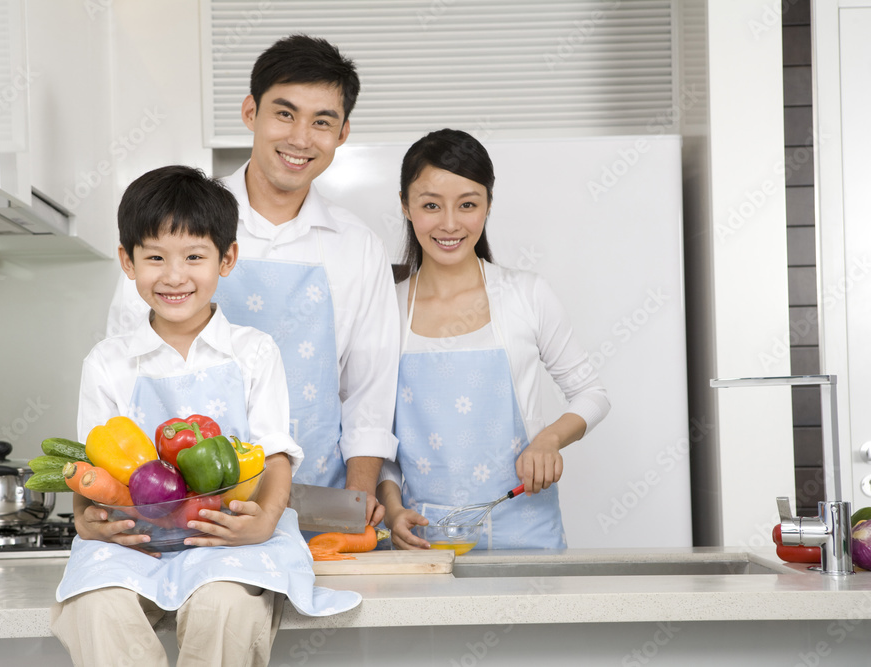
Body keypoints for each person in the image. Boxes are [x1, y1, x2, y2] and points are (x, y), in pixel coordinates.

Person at [50, 166, 360, 667]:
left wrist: (264, 523)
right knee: (97, 608)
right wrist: (87, 523)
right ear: (128, 262)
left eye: (194, 256)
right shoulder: (107, 362)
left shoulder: (254, 352)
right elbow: (92, 472)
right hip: (136, 541)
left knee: (225, 606)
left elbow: (275, 453)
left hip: (227, 535)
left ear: (227, 258)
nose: (174, 276)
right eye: (155, 258)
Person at [108, 34, 400, 526]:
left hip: (318, 500)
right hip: (183, 509)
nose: (301, 138)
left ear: (343, 132)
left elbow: (370, 390)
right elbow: (124, 363)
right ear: (250, 112)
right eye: (284, 113)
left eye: (322, 121)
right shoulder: (180, 222)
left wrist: (354, 504)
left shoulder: (358, 245)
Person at [377, 129, 611, 550]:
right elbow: (378, 438)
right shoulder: (385, 310)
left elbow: (592, 394)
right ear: (405, 207)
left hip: (526, 531)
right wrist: (393, 511)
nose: (450, 224)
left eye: (468, 205)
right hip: (425, 536)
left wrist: (549, 439)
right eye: (431, 205)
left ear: (487, 205)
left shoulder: (527, 294)